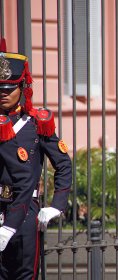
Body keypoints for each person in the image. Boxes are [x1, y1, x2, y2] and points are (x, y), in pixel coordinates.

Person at [0, 38, 72, 279]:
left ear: (22, 88)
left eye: (9, 89)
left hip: (26, 210)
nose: (3, 94)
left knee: (23, 274)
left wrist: (56, 205)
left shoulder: (35, 123)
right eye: (0, 88)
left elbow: (62, 164)